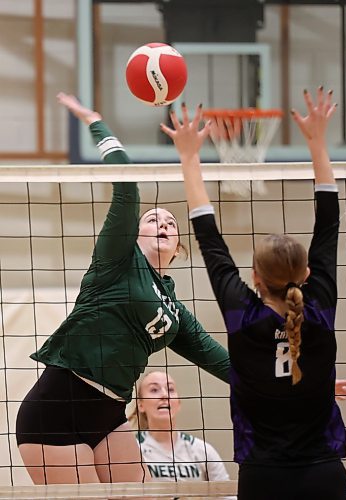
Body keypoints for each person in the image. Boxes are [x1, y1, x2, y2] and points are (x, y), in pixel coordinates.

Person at [15, 93, 231, 486]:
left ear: (179, 245)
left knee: (141, 496)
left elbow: (220, 361)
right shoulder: (118, 259)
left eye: (170, 221)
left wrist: (286, 385)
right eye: (153, 219)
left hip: (109, 412)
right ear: (133, 233)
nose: (163, 223)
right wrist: (96, 121)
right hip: (57, 409)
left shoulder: (174, 310)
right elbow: (127, 187)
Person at [161, 87, 346, 499]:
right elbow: (329, 223)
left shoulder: (243, 317)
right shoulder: (318, 308)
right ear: (306, 272)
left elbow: (209, 239)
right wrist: (318, 141)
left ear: (255, 279)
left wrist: (190, 156)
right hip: (324, 476)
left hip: (263, 478)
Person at [129, 371, 234, 494]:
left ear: (178, 403)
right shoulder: (133, 450)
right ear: (140, 405)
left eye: (170, 389)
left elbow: (226, 495)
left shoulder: (202, 450)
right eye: (154, 390)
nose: (164, 395)